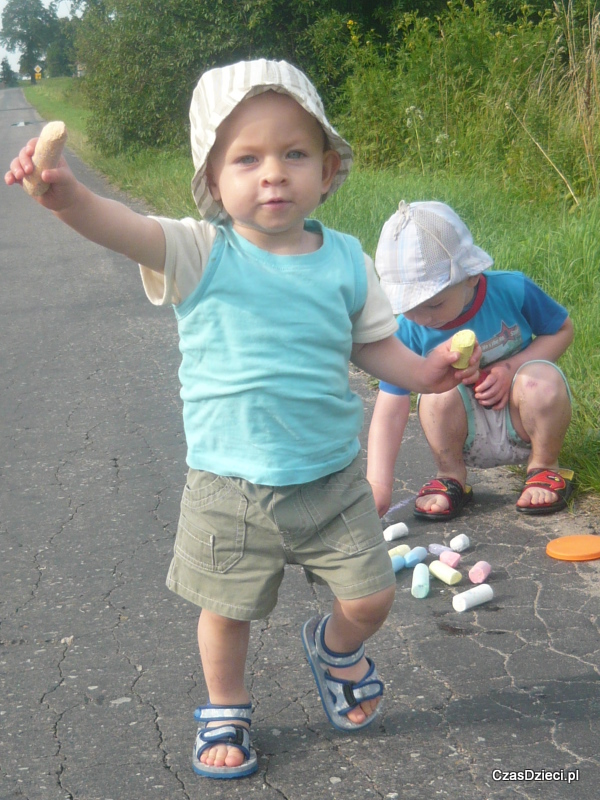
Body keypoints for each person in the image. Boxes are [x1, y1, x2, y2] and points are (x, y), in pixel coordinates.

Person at [6, 62, 480, 780]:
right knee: (225, 612)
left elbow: (374, 346)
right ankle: (226, 704)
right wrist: (65, 194)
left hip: (331, 480)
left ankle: (335, 649)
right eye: (247, 158)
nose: (273, 175)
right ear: (213, 179)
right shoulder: (200, 252)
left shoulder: (347, 261)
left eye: (295, 154)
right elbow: (120, 225)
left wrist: (424, 373)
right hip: (230, 486)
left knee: (373, 594)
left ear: (328, 168)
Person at [367, 200, 574, 522]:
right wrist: (378, 483)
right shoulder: (408, 331)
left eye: (434, 304)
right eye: (407, 306)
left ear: (472, 277)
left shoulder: (511, 289)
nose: (421, 318)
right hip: (464, 431)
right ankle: (451, 476)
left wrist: (512, 366)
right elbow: (390, 408)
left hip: (522, 417)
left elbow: (561, 329)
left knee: (540, 379)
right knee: (436, 392)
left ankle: (544, 466)